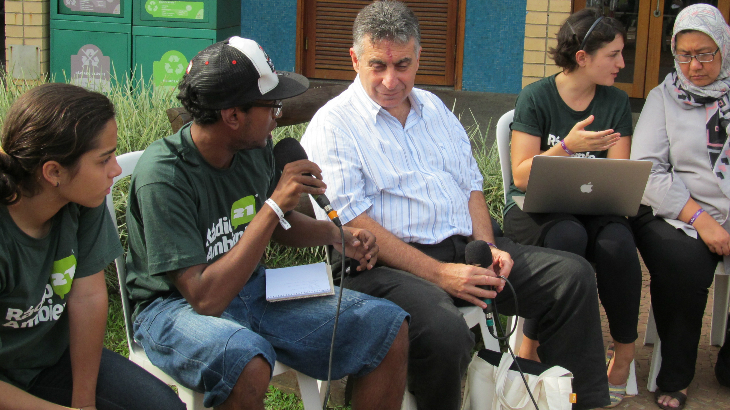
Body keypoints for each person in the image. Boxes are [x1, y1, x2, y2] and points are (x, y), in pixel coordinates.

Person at [301, 1, 609, 409]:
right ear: (355, 59)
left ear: (419, 58)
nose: (392, 80)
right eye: (378, 65)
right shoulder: (334, 123)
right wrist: (440, 274)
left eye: (403, 65)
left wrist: (488, 247)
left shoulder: (434, 109)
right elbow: (354, 223)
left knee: (572, 277)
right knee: (445, 330)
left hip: (464, 249)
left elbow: (471, 188)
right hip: (379, 267)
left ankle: (578, 403)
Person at [124, 36, 410, 410]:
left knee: (387, 328)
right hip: (174, 306)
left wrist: (335, 235)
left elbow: (277, 226)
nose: (278, 116)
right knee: (245, 360)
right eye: (272, 106)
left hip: (251, 287)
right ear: (232, 116)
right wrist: (274, 206)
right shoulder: (164, 176)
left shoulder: (253, 149)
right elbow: (204, 297)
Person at [0, 83, 185, 410]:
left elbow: (87, 296)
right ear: (54, 171)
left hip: (51, 362)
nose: (116, 169)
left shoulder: (81, 201)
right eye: (103, 160)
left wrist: (83, 402)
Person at [505, 8, 642, 408]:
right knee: (567, 236)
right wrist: (568, 147)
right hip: (539, 209)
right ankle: (530, 347)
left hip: (597, 206)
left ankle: (624, 354)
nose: (621, 63)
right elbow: (522, 175)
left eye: (622, 54)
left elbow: (619, 176)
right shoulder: (536, 96)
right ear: (582, 57)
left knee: (617, 245)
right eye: (613, 55)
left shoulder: (616, 101)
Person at [630, 4, 730, 409]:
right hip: (677, 214)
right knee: (683, 266)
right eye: (685, 54)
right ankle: (677, 373)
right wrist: (702, 219)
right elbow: (647, 172)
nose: (695, 65)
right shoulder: (663, 97)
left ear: (724, 49)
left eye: (705, 53)